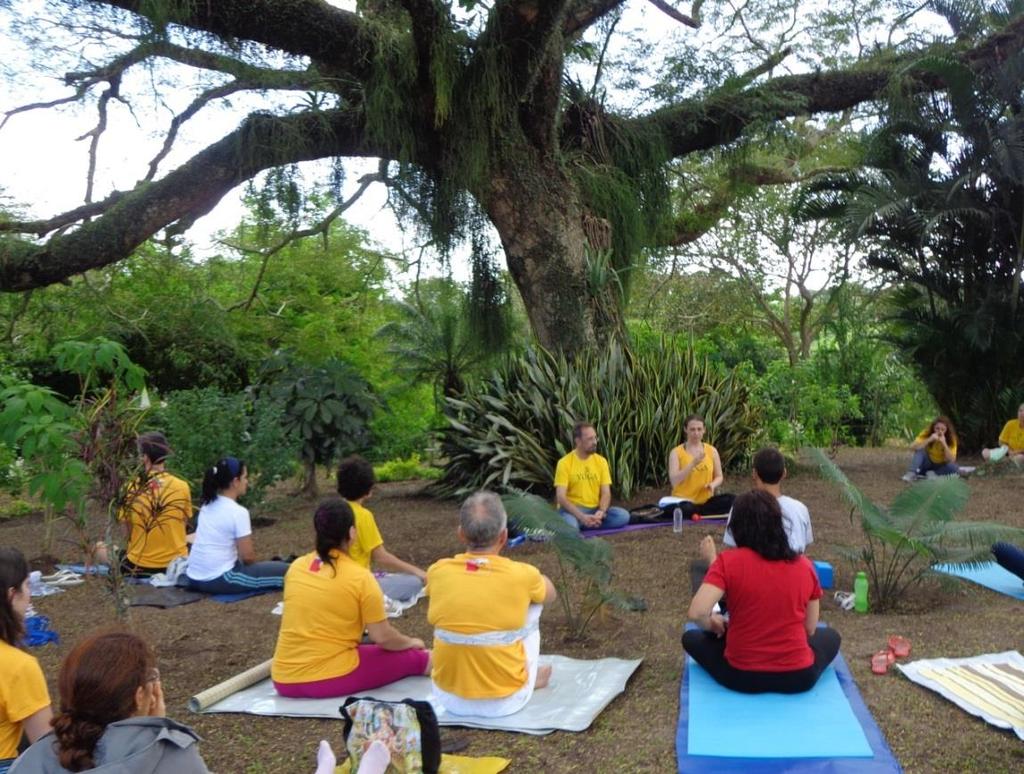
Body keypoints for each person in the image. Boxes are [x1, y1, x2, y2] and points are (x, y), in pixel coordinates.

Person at [682, 490, 840, 694]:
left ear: (737, 526)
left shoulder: (728, 562)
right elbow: (809, 629)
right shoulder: (805, 566)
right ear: (778, 524)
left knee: (691, 638)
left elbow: (697, 613)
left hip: (741, 676)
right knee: (831, 636)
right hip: (798, 677)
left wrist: (713, 624)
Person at [271, 498, 430, 698]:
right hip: (326, 677)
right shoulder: (360, 577)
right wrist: (411, 642)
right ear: (352, 533)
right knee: (418, 658)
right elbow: (383, 637)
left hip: (283, 679)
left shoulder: (296, 567)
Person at [426, 492, 557, 717]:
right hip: (506, 700)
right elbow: (551, 595)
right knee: (534, 604)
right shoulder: (523, 574)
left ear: (461, 534)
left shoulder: (437, 571)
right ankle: (529, 676)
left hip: (447, 696)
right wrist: (536, 580)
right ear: (504, 536)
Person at [11, 631, 208, 773]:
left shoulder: (30, 761)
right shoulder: (173, 757)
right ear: (139, 696)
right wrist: (153, 732)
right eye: (153, 678)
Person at [692, 447, 812, 592]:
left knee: (702, 569)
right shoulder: (800, 509)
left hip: (755, 589)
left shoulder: (742, 507)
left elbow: (734, 561)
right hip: (793, 588)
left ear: (754, 473)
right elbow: (802, 550)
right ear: (784, 473)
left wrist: (712, 559)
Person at [183, 457, 288, 595]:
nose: (247, 481)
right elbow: (248, 557)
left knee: (275, 568)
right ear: (235, 482)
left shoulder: (207, 505)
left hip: (193, 577)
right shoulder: (238, 512)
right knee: (289, 572)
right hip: (218, 579)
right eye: (244, 477)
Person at [94, 432, 192, 576]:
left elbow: (128, 533)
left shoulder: (130, 488)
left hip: (138, 566)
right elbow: (182, 525)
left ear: (145, 457)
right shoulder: (182, 486)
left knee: (98, 547)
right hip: (176, 564)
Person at [336, 455, 426, 601]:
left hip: (329, 581)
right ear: (369, 489)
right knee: (413, 582)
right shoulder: (363, 516)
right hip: (355, 586)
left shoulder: (329, 510)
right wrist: (419, 572)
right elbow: (381, 557)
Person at [0, 548, 51, 774]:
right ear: (12, 594)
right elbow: (47, 749)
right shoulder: (18, 666)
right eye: (28, 585)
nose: (30, 594)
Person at [553, 422, 630, 532]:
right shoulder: (564, 463)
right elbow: (561, 497)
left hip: (594, 509)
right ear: (578, 441)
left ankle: (590, 522)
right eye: (590, 439)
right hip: (571, 511)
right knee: (572, 527)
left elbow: (606, 493)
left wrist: (601, 511)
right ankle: (582, 523)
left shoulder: (601, 461)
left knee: (623, 516)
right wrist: (581, 516)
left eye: (595, 438)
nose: (594, 442)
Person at [667, 415, 735, 519]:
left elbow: (719, 476)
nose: (696, 433)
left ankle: (701, 512)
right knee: (686, 508)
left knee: (732, 499)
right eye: (692, 429)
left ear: (704, 430)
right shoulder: (676, 453)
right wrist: (692, 464)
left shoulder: (711, 451)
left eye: (699, 429)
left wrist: (712, 485)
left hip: (705, 502)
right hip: (683, 502)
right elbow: (674, 481)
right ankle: (699, 512)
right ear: (686, 430)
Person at [902, 416, 965, 481]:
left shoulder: (951, 438)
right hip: (928, 463)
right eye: (937, 428)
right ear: (933, 428)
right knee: (920, 450)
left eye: (943, 429)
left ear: (947, 430)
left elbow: (952, 460)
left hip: (941, 465)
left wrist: (944, 444)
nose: (940, 431)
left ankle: (932, 475)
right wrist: (929, 439)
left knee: (954, 468)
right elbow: (913, 447)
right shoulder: (927, 433)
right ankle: (911, 473)